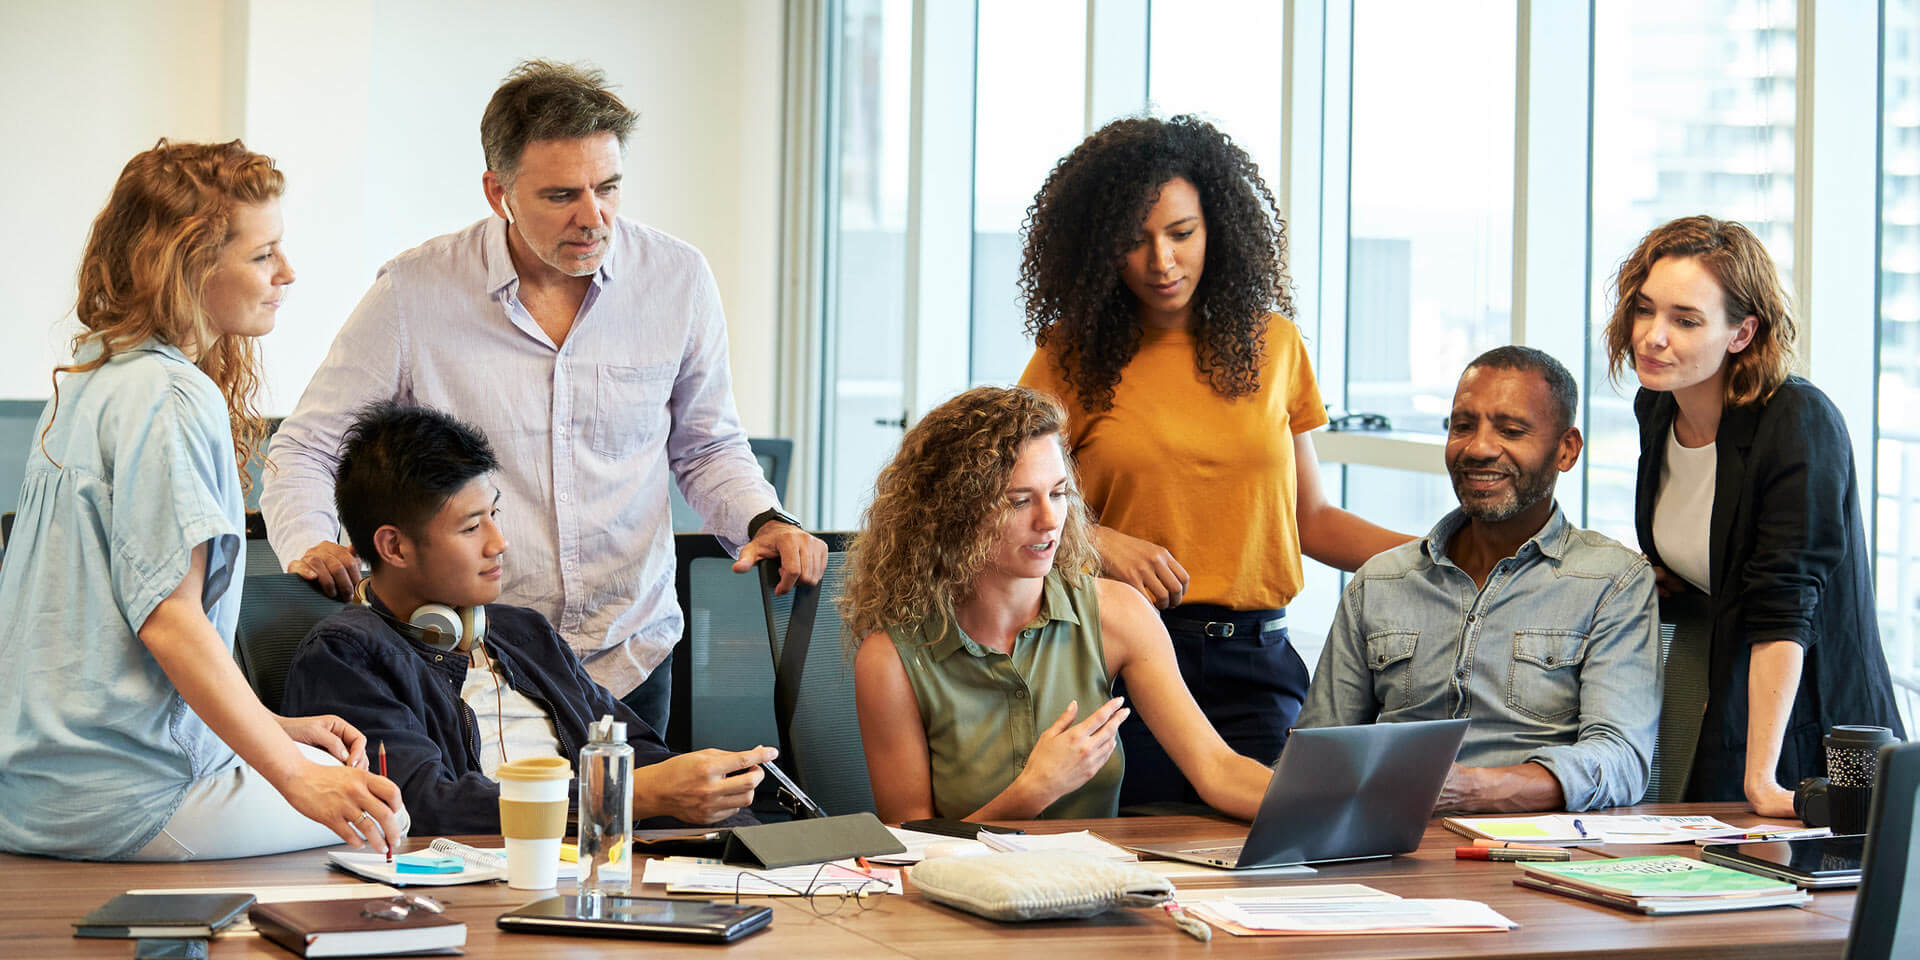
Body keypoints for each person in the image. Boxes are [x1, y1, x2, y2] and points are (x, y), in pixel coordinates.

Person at [260, 60, 825, 734]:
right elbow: (307, 445)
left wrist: (766, 520)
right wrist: (311, 540)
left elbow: (707, 446)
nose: (594, 218)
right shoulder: (415, 292)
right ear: (497, 191)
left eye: (608, 187)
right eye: (562, 196)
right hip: (477, 659)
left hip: (630, 654)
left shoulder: (676, 280)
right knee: (486, 830)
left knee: (632, 834)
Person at [0, 140, 406, 861]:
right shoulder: (172, 394)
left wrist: (270, 726)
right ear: (187, 266)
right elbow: (168, 620)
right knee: (383, 809)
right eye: (263, 255)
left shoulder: (94, 377)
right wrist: (291, 777)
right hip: (125, 801)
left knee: (329, 776)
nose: (287, 273)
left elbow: (103, 651)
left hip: (33, 792)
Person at [1016, 115, 1411, 805]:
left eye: (1180, 233)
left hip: (1258, 664)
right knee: (1139, 871)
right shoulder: (1067, 357)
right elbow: (1006, 507)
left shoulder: (1276, 344)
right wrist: (1099, 542)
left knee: (1279, 858)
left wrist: (1451, 556)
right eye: (1134, 241)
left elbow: (1311, 521)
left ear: (1217, 227)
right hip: (1120, 661)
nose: (1160, 262)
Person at [281, 402, 771, 835]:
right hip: (476, 887)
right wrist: (626, 796)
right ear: (394, 546)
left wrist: (723, 805)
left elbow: (639, 754)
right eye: (472, 526)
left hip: (593, 867)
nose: (498, 542)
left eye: (494, 515)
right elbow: (419, 806)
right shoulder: (348, 652)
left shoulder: (520, 631)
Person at [843, 386, 1276, 823]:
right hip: (962, 888)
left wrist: (1334, 810)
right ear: (952, 513)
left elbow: (1217, 770)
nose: (1049, 520)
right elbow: (910, 846)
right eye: (1019, 501)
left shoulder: (1118, 613)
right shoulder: (890, 659)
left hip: (1102, 886)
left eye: (1058, 493)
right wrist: (1035, 790)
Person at [1605, 215, 1906, 815]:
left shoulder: (1798, 422)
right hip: (1727, 708)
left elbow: (1783, 608)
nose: (1652, 336)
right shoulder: (1657, 408)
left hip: (1814, 729)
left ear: (1742, 333)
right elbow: (1719, 558)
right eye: (1645, 309)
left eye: (1685, 320)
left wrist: (1764, 781)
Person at [1298, 347, 1661, 812]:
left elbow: (1620, 762)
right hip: (1389, 844)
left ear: (1566, 450)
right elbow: (1315, 754)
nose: (1478, 448)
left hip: (1538, 850)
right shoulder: (1380, 582)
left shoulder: (1612, 581)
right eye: (1462, 426)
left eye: (1511, 430)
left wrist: (1475, 789)